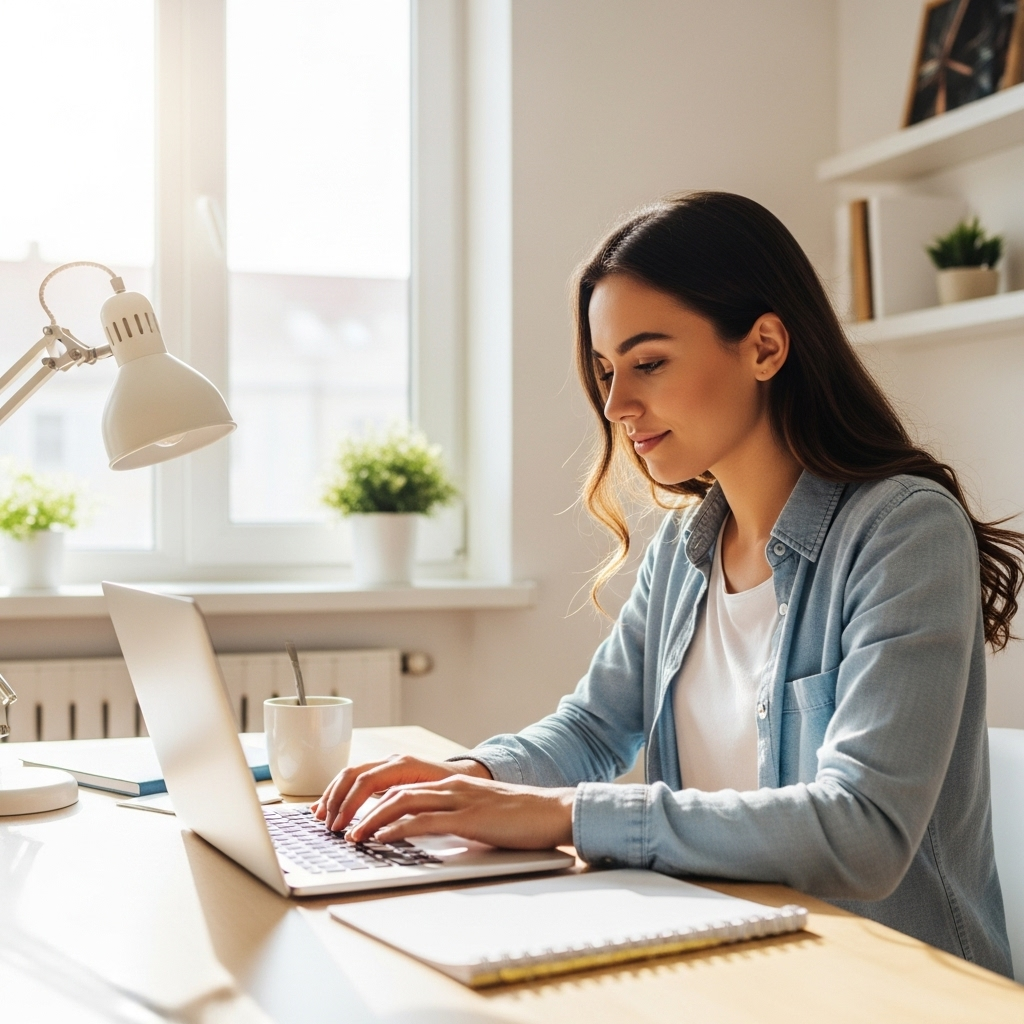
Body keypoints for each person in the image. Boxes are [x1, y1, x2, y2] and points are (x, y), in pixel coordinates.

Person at [312, 192, 1020, 977]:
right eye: (605, 371)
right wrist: (465, 782)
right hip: (732, 959)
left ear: (765, 347)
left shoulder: (903, 531)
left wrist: (561, 815)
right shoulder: (686, 546)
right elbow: (592, 730)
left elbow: (864, 831)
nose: (616, 405)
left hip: (891, 986)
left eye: (647, 363)